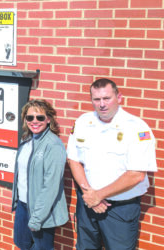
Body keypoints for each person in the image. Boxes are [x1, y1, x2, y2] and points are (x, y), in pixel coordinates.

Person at [67, 78, 157, 250]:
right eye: (97, 99)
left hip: (120, 209)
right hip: (87, 203)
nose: (102, 104)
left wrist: (98, 195)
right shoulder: (83, 122)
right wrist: (89, 195)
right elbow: (73, 160)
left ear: (119, 97)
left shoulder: (136, 128)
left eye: (107, 98)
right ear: (91, 100)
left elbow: (136, 175)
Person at [12, 99, 68, 250]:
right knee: (22, 243)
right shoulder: (27, 140)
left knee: (42, 247)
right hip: (23, 205)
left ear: (48, 119)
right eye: (30, 117)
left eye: (40, 117)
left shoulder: (53, 145)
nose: (34, 121)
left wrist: (37, 218)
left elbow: (51, 186)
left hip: (42, 210)